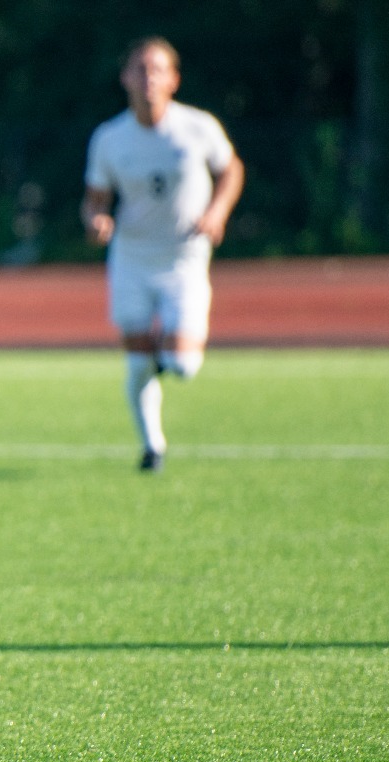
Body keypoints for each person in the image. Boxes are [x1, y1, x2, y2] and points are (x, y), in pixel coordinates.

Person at [81, 36, 245, 472]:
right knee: (137, 364)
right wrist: (96, 220)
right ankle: (152, 447)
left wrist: (217, 211)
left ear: (174, 79)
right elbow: (95, 198)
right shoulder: (110, 137)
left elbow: (230, 170)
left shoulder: (197, 127)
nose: (147, 77)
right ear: (124, 78)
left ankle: (161, 358)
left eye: (156, 69)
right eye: (139, 68)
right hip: (132, 258)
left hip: (184, 257)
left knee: (183, 365)